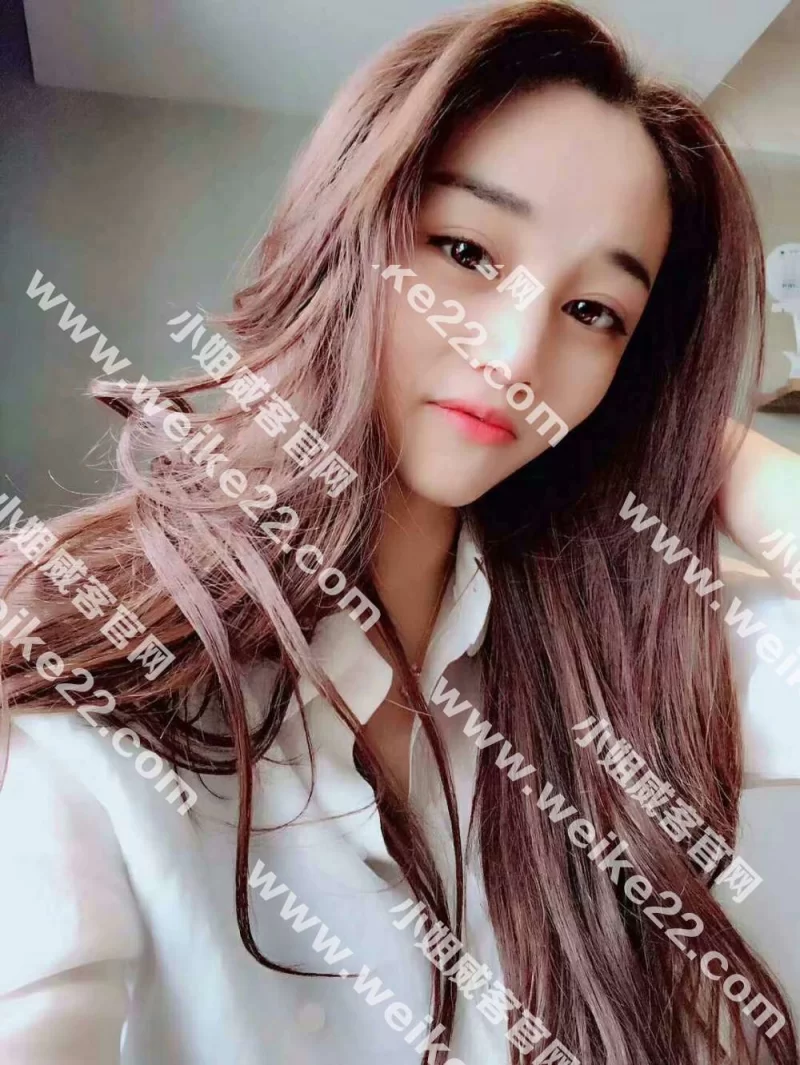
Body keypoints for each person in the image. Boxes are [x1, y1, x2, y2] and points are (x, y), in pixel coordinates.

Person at [1, 2, 799, 1063]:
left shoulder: (639, 644)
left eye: (594, 312)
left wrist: (698, 443)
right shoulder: (92, 660)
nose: (513, 355)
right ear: (346, 237)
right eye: (465, 250)